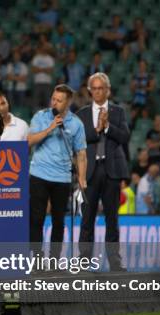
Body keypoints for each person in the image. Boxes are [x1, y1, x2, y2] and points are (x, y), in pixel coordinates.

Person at [76, 73, 130, 270]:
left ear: (108, 90)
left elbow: (124, 136)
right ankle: (84, 262)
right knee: (87, 218)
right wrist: (97, 129)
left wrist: (107, 127)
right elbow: (77, 140)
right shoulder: (81, 113)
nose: (98, 92)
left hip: (112, 171)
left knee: (112, 219)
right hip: (89, 171)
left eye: (102, 88)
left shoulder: (118, 112)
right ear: (90, 91)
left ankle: (115, 262)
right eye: (95, 88)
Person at [28, 84, 87, 258]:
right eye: (53, 99)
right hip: (39, 174)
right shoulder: (41, 117)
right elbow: (29, 140)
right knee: (37, 219)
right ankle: (37, 259)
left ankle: (54, 260)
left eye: (59, 100)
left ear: (68, 102)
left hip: (62, 178)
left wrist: (82, 179)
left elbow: (81, 154)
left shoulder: (76, 124)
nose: (54, 103)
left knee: (58, 221)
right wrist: (50, 128)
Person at [30, 44, 55, 111]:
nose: (44, 49)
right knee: (35, 101)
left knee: (48, 101)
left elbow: (50, 71)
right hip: (37, 82)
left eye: (45, 48)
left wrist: (39, 69)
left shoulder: (50, 58)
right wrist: (45, 69)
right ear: (40, 48)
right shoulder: (36, 58)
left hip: (47, 83)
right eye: (43, 48)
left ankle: (49, 117)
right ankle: (35, 116)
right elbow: (33, 70)